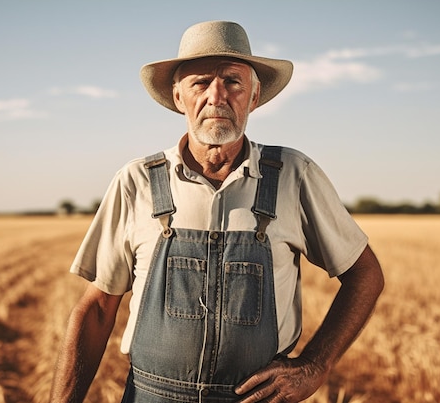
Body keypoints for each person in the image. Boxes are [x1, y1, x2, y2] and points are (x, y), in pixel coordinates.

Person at [50, 20, 384, 403]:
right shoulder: (137, 181)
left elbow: (365, 275)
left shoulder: (293, 174)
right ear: (178, 97)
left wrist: (315, 365)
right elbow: (96, 308)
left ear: (254, 96)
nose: (217, 96)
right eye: (200, 83)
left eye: (233, 81)